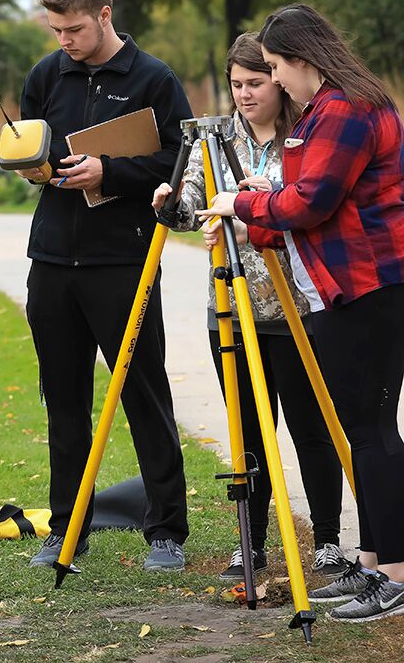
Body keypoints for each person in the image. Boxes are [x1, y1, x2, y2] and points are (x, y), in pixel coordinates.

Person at [198, 4, 404, 623]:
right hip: (345, 285)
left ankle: (393, 573)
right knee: (362, 430)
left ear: (304, 60)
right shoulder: (331, 108)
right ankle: (371, 565)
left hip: (368, 287)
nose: (276, 81)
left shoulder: (345, 109)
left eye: (278, 68)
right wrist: (253, 220)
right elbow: (309, 210)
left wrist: (240, 203)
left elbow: (311, 200)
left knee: (370, 432)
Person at [152, 33, 347, 580]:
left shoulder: (305, 133)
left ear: (278, 79)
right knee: (249, 432)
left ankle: (328, 540)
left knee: (311, 428)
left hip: (298, 307)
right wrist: (175, 203)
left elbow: (313, 205)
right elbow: (194, 199)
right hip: (234, 308)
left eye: (256, 82)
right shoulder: (218, 139)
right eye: (236, 84)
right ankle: (251, 542)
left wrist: (257, 205)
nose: (244, 94)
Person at [18, 0, 191, 572]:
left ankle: (166, 530)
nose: (64, 40)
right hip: (52, 261)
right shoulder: (44, 76)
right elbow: (33, 147)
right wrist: (33, 167)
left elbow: (181, 161)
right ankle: (66, 531)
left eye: (75, 29)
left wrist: (110, 174)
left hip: (124, 260)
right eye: (56, 29)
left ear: (105, 16)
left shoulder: (154, 79)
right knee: (62, 400)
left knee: (145, 392)